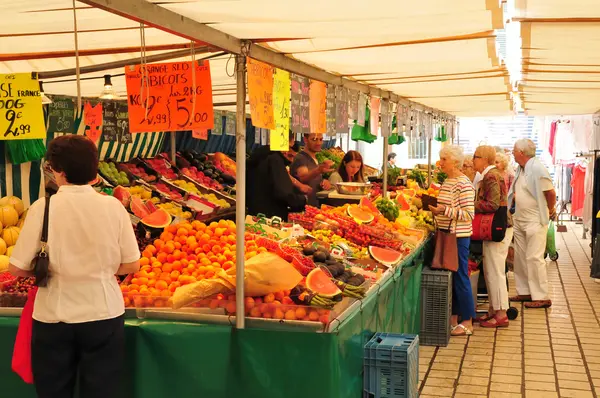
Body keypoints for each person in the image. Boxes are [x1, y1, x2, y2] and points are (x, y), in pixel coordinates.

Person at [9, 135, 140, 398]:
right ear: (94, 168)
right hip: (103, 311)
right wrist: (99, 268)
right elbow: (132, 264)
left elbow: (17, 268)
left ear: (59, 171)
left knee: (54, 391)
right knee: (101, 391)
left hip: (53, 315)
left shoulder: (42, 208)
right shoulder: (113, 206)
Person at [429, 145, 476, 336]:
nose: (440, 163)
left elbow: (468, 214)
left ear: (455, 162)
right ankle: (454, 317)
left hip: (458, 236)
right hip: (446, 233)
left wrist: (444, 211)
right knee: (453, 276)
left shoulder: (464, 184)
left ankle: (468, 321)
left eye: (444, 159)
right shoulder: (448, 181)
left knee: (461, 277)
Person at [508, 138, 557, 308]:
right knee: (521, 257)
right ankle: (525, 292)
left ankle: (541, 296)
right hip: (521, 218)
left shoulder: (537, 167)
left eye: (514, 150)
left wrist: (550, 210)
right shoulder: (521, 169)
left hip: (535, 219)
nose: (512, 152)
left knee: (535, 257)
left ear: (521, 152)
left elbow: (550, 192)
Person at [472, 145, 513, 328]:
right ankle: (493, 309)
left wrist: (470, 205)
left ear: (485, 159)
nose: (473, 160)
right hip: (498, 228)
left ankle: (501, 313)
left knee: (495, 271)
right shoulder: (490, 175)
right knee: (490, 270)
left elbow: (493, 204)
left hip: (498, 228)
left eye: (476, 156)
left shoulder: (490, 176)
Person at [247, 132, 308, 219]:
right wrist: (302, 200)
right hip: (269, 216)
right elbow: (283, 193)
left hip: (253, 212)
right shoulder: (275, 159)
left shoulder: (259, 154)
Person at [291, 133, 334, 206]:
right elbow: (302, 178)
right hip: (304, 206)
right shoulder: (301, 158)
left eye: (321, 139)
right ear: (305, 140)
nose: (318, 143)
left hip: (314, 205)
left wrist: (323, 183)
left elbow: (312, 180)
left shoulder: (314, 158)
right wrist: (318, 170)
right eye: (314, 139)